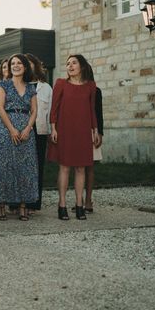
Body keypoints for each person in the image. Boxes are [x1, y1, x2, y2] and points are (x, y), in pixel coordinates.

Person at [0, 54, 38, 221]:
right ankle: (1, 205)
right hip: (6, 128)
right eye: (12, 63)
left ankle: (23, 206)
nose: (15, 66)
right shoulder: (3, 85)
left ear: (25, 67)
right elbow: (0, 108)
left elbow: (34, 110)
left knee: (25, 167)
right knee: (4, 166)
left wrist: (28, 128)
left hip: (26, 130)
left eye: (19, 63)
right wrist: (12, 130)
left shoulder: (31, 88)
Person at [47, 55, 98, 221]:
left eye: (74, 62)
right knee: (65, 167)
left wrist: (95, 130)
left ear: (82, 66)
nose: (70, 66)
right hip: (64, 129)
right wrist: (53, 128)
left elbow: (92, 109)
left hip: (83, 130)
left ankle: (79, 205)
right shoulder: (61, 83)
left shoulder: (90, 86)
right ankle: (62, 205)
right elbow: (54, 108)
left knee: (81, 168)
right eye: (67, 63)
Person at [25, 53, 52, 213]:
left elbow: (50, 112)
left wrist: (51, 131)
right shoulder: (19, 85)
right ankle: (17, 203)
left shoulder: (46, 88)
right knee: (22, 167)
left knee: (37, 167)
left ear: (35, 65)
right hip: (21, 130)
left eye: (30, 63)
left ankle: (34, 203)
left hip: (40, 130)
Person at [82, 67, 103, 213]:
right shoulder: (71, 88)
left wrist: (99, 133)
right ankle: (79, 199)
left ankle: (88, 200)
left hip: (91, 131)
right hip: (75, 131)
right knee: (77, 167)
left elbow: (98, 112)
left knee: (90, 167)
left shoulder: (96, 90)